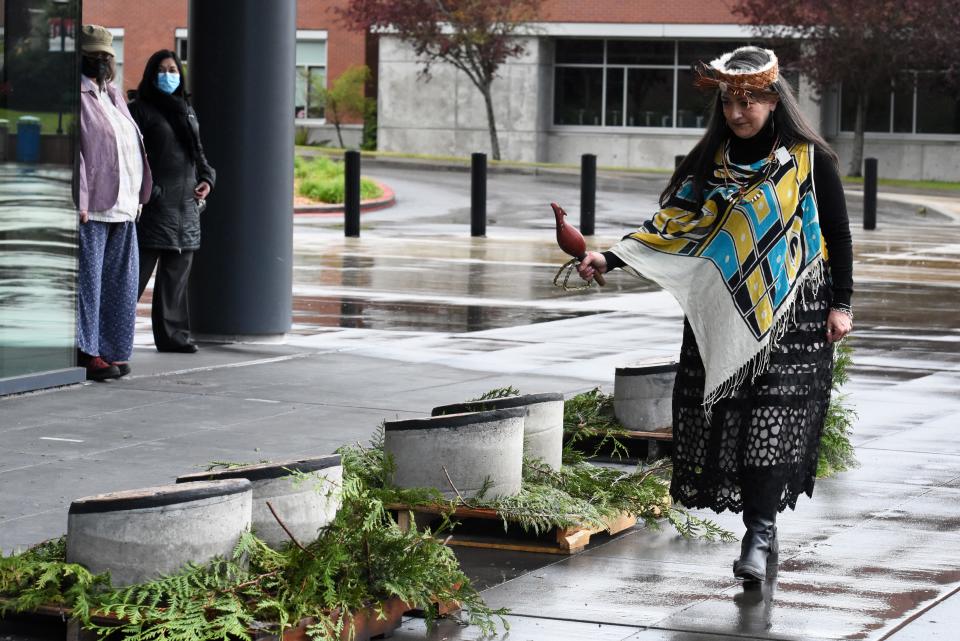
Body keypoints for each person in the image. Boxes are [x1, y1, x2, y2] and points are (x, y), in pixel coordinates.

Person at [577, 46, 853, 584]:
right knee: (736, 420)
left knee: (767, 424)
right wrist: (606, 257)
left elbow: (836, 235)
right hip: (723, 318)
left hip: (794, 315)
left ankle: (759, 534)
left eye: (749, 101)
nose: (737, 112)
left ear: (774, 100)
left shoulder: (807, 159)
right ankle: (761, 529)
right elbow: (668, 228)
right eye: (729, 102)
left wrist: (841, 304)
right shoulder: (708, 162)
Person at [75, 24, 153, 381]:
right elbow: (76, 151)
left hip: (124, 206)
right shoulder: (76, 95)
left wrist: (140, 192)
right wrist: (83, 199)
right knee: (89, 286)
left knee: (121, 284)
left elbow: (129, 145)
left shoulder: (115, 96)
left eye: (106, 55)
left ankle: (113, 350)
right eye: (95, 55)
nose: (102, 61)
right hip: (94, 208)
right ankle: (88, 353)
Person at [129, 50, 216, 353]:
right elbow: (132, 159)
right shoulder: (139, 110)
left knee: (175, 283)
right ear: (152, 75)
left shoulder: (186, 110)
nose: (169, 75)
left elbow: (199, 154)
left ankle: (174, 338)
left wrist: (206, 180)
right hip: (155, 210)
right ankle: (109, 338)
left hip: (186, 210)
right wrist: (152, 193)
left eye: (173, 69)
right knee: (133, 280)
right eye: (162, 70)